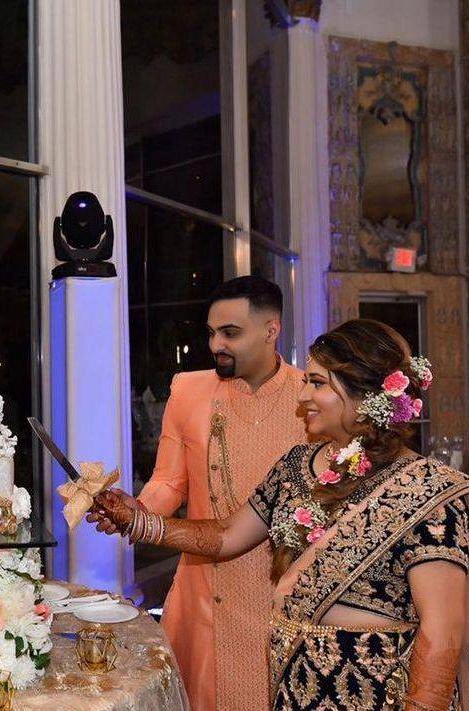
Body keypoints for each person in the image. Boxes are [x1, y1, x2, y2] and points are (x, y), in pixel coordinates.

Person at [93, 319, 469, 711]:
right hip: (296, 687)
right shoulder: (296, 465)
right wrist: (135, 520)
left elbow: (442, 634)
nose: (302, 395)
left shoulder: (430, 491)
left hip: (376, 696)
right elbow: (225, 536)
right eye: (306, 380)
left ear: (366, 393)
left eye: (318, 383)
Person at [89, 276, 307, 710]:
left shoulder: (309, 397)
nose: (216, 345)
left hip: (282, 588)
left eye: (230, 333)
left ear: (271, 330)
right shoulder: (189, 390)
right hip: (204, 585)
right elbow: (170, 481)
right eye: (211, 332)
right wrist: (135, 510)